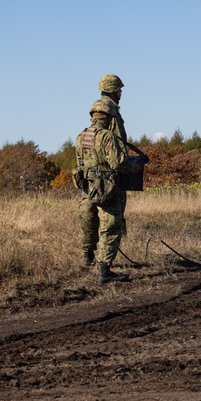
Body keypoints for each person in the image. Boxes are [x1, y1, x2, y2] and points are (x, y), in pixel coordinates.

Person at [75, 100, 136, 284]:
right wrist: (133, 166)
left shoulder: (81, 136)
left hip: (88, 188)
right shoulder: (107, 136)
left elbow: (81, 164)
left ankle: (88, 257)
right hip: (107, 189)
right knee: (111, 226)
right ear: (109, 117)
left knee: (88, 220)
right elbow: (117, 163)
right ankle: (104, 271)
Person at [94, 74, 127, 141]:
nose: (121, 91)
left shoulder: (99, 106)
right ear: (113, 90)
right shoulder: (110, 109)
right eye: (119, 88)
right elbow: (119, 140)